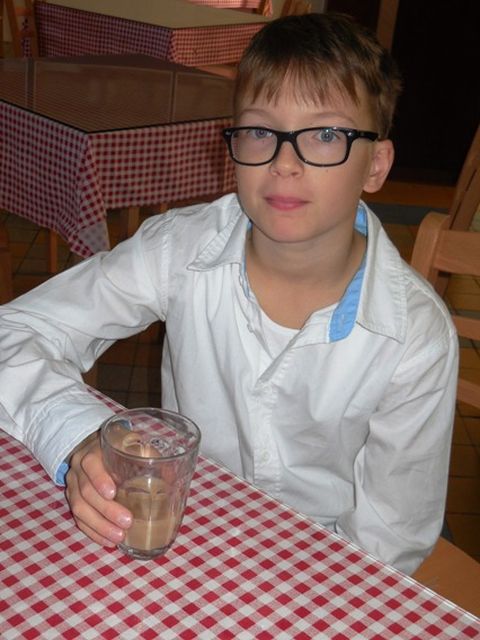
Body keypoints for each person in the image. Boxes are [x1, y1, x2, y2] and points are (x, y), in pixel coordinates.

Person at [0, 13, 458, 575]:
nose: (284, 164)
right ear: (233, 145)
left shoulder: (415, 334)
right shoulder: (178, 250)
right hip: (186, 540)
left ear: (375, 165)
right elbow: (14, 331)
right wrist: (75, 436)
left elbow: (390, 539)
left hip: (326, 566)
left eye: (326, 135)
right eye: (261, 132)